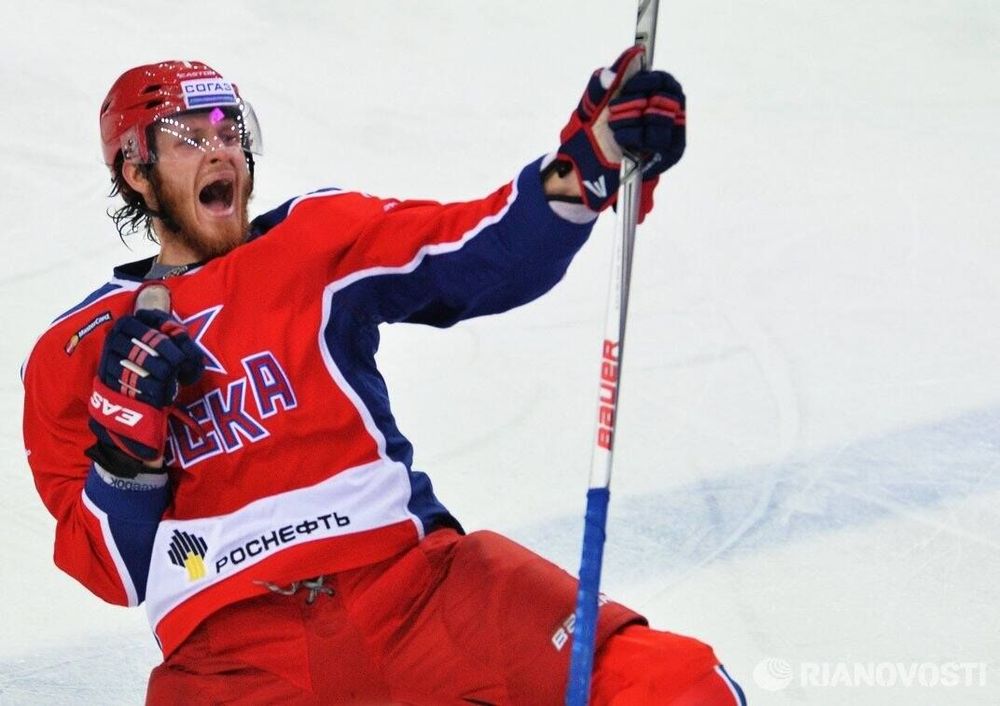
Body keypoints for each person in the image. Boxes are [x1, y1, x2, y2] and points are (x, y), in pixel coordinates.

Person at [21, 49, 745, 706]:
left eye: (229, 130)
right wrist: (126, 456)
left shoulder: (314, 240)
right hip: (230, 659)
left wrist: (590, 162)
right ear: (136, 171)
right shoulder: (71, 351)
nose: (221, 150)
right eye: (189, 137)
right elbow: (111, 571)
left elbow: (475, 252)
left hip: (416, 593)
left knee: (679, 688)